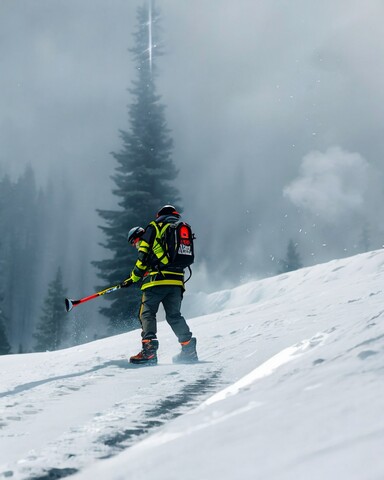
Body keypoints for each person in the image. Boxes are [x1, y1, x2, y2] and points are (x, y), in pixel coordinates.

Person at [121, 205, 198, 365]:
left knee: (147, 313)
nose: (135, 245)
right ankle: (188, 349)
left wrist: (133, 278)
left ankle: (149, 351)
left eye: (134, 242)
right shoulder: (178, 229)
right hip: (177, 281)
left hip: (156, 281)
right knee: (174, 316)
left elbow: (142, 259)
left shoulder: (152, 229)